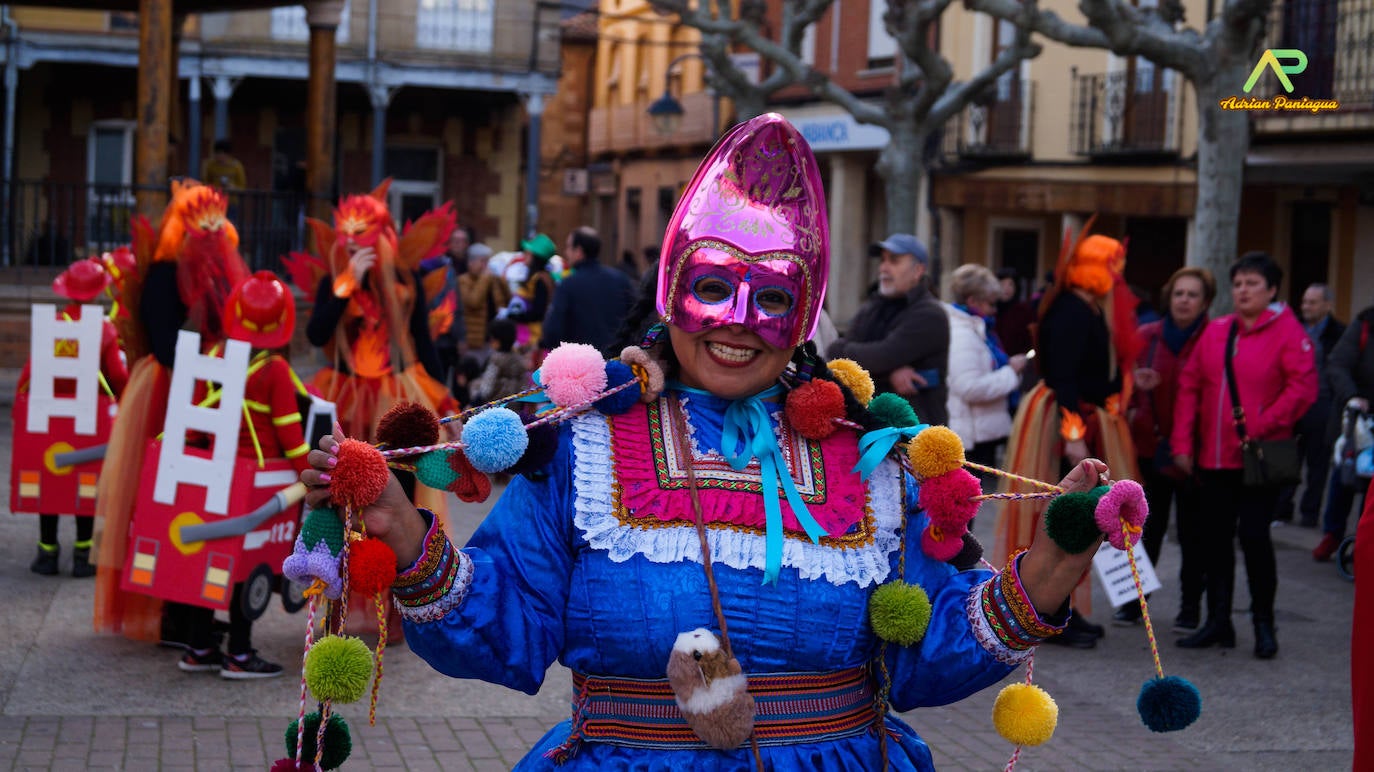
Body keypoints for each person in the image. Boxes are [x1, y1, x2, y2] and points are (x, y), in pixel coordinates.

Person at [300, 114, 1119, 770]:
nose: (736, 325)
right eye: (714, 286)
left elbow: (926, 653)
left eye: (769, 298)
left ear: (803, 317)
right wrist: (399, 526)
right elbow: (504, 628)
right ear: (670, 291)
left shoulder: (866, 456)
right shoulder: (588, 446)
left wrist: (1054, 560)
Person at [95, 180, 250, 641]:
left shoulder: (220, 273)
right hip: (168, 393)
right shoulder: (164, 275)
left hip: (209, 389)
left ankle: (192, 609)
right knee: (163, 500)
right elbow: (165, 344)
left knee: (201, 503)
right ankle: (167, 612)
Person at [994, 225, 1143, 649]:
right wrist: (1074, 434)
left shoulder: (1086, 307)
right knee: (1066, 512)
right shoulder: (1071, 311)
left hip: (1080, 417)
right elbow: (1064, 377)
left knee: (1077, 514)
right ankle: (1046, 605)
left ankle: (1063, 607)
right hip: (1064, 420)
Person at [1172, 252, 1317, 659]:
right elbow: (1190, 387)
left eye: (1252, 283)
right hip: (1214, 459)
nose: (1243, 290)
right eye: (1238, 284)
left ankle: (1263, 623)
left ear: (1271, 290)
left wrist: (1262, 423)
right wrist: (1183, 443)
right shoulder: (1217, 331)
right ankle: (1218, 622)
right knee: (1214, 541)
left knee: (1255, 539)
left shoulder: (1289, 332)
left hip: (1258, 460)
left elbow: (1303, 388)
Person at [176, 271, 311, 679]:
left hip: (211, 476)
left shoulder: (215, 357)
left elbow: (195, 427)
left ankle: (199, 647)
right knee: (247, 564)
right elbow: (290, 436)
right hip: (259, 483)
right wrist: (315, 475)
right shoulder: (275, 371)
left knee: (209, 558)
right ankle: (238, 653)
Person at [302, 182, 456, 442]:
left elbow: (423, 342)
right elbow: (316, 335)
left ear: (381, 234)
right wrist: (345, 289)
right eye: (345, 232)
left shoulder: (405, 281)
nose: (350, 241)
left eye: (360, 231)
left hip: (398, 388)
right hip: (345, 391)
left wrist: (446, 404)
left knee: (396, 467)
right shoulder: (334, 282)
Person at [17, 258, 129, 576]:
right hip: (90, 422)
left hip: (47, 416)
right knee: (86, 484)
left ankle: (47, 553)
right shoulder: (105, 330)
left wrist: (21, 411)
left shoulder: (53, 324)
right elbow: (118, 376)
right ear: (97, 292)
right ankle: (83, 557)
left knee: (50, 480)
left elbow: (29, 373)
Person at [1119, 267, 1214, 630]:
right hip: (1151, 447)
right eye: (1179, 293)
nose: (1184, 300)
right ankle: (1133, 602)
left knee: (1194, 534)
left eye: (1192, 295)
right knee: (1145, 529)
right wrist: (1134, 385)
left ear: (1205, 302)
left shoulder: (1214, 337)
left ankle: (1191, 607)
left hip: (1196, 453)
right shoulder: (1147, 336)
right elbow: (1123, 384)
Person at [828, 233, 950, 426]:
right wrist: (889, 373)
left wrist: (876, 364)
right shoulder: (874, 305)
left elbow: (882, 356)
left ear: (918, 270)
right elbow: (835, 354)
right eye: (883, 260)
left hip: (915, 435)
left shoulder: (930, 314)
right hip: (870, 426)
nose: (884, 268)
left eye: (894, 261)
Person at [943, 264, 1027, 471]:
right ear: (973, 301)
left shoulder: (978, 329)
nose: (994, 310)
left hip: (980, 434)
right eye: (990, 304)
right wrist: (1011, 372)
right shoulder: (963, 334)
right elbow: (969, 387)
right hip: (970, 439)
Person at [1274, 283, 1345, 526]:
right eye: (1304, 302)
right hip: (1295, 402)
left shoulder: (1339, 334)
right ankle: (1282, 509)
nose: (1306, 307)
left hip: (1323, 405)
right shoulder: (1294, 330)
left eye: (1312, 302)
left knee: (1318, 463)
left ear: (1327, 305)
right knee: (1288, 459)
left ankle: (1309, 513)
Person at [1313, 300, 1374, 560]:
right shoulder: (1364, 324)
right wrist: (1352, 396)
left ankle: (1364, 541)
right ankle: (1333, 535)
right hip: (1354, 421)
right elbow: (1337, 364)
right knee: (1344, 478)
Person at [538, 227, 635, 352]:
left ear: (578, 251)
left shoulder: (568, 285)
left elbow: (553, 330)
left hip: (580, 362)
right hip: (616, 360)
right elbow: (634, 317)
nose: (566, 252)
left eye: (568, 247)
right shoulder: (621, 280)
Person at [421, 226, 469, 394]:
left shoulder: (448, 270)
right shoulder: (422, 269)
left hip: (448, 338)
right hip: (428, 336)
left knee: (445, 382)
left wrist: (461, 337)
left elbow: (457, 307)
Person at [504, 233, 558, 352]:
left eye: (528, 253)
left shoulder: (540, 280)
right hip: (528, 334)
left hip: (532, 336)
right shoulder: (541, 277)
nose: (524, 256)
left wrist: (516, 316)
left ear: (536, 257)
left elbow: (539, 312)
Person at [469, 318, 527, 404]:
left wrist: (474, 402)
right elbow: (524, 385)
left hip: (496, 407)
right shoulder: (518, 359)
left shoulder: (496, 360)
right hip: (515, 407)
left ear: (498, 340)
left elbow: (486, 389)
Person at [994, 267, 1036, 358]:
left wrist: (1024, 357)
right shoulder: (990, 310)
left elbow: (1031, 341)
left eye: (1011, 284)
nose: (1006, 289)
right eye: (1002, 284)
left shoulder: (1024, 311)